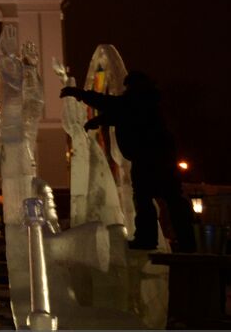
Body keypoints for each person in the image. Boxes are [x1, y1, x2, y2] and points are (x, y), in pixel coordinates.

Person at [60, 71, 195, 250]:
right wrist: (97, 120)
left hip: (149, 158)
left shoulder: (139, 101)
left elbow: (113, 105)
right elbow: (120, 112)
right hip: (158, 158)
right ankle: (184, 240)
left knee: (148, 199)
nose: (128, 90)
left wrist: (81, 95)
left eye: (130, 86)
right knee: (164, 199)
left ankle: (151, 238)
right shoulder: (145, 102)